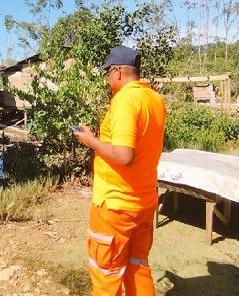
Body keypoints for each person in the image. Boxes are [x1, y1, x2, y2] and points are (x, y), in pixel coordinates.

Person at [72, 46, 167, 296]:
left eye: (108, 74)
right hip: (145, 203)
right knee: (137, 266)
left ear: (117, 72)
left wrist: (91, 141)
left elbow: (125, 155)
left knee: (107, 273)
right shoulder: (154, 99)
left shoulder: (125, 100)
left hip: (116, 206)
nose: (107, 79)